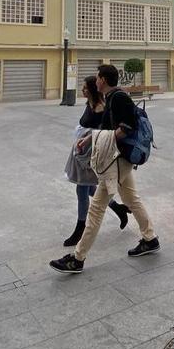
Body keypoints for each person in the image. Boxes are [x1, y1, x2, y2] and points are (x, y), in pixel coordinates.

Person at [50, 65, 159, 274]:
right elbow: (110, 128)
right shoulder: (111, 98)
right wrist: (89, 139)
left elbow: (126, 128)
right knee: (131, 199)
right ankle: (150, 238)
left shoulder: (118, 98)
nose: (95, 81)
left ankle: (77, 258)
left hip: (120, 159)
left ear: (103, 80)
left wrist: (100, 139)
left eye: (98, 77)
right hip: (120, 158)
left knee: (97, 208)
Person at [62, 76, 131, 247]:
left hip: (89, 152)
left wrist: (87, 141)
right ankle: (118, 208)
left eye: (85, 88)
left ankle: (81, 226)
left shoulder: (101, 107)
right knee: (89, 187)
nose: (83, 90)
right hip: (81, 149)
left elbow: (103, 131)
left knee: (82, 188)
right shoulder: (90, 103)